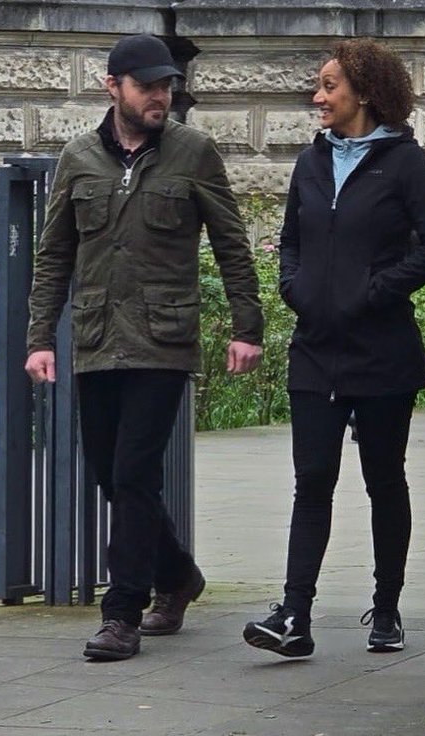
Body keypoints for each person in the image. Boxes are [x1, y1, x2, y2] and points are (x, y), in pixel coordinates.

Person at [25, 33, 264, 662]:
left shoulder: (193, 153)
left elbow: (231, 243)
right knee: (112, 476)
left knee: (134, 471)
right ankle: (179, 574)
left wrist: (248, 326)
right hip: (98, 339)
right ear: (114, 88)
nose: (162, 96)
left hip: (163, 340)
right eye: (148, 86)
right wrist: (39, 338)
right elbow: (54, 255)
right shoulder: (78, 157)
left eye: (167, 87)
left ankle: (122, 614)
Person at [243, 38, 425, 659]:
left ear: (363, 92)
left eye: (330, 86)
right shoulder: (311, 162)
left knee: (383, 480)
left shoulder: (404, 164)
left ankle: (386, 606)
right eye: (319, 85)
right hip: (315, 349)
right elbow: (290, 239)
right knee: (312, 482)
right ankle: (294, 617)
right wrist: (294, 286)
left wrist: (374, 292)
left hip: (381, 352)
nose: (318, 96)